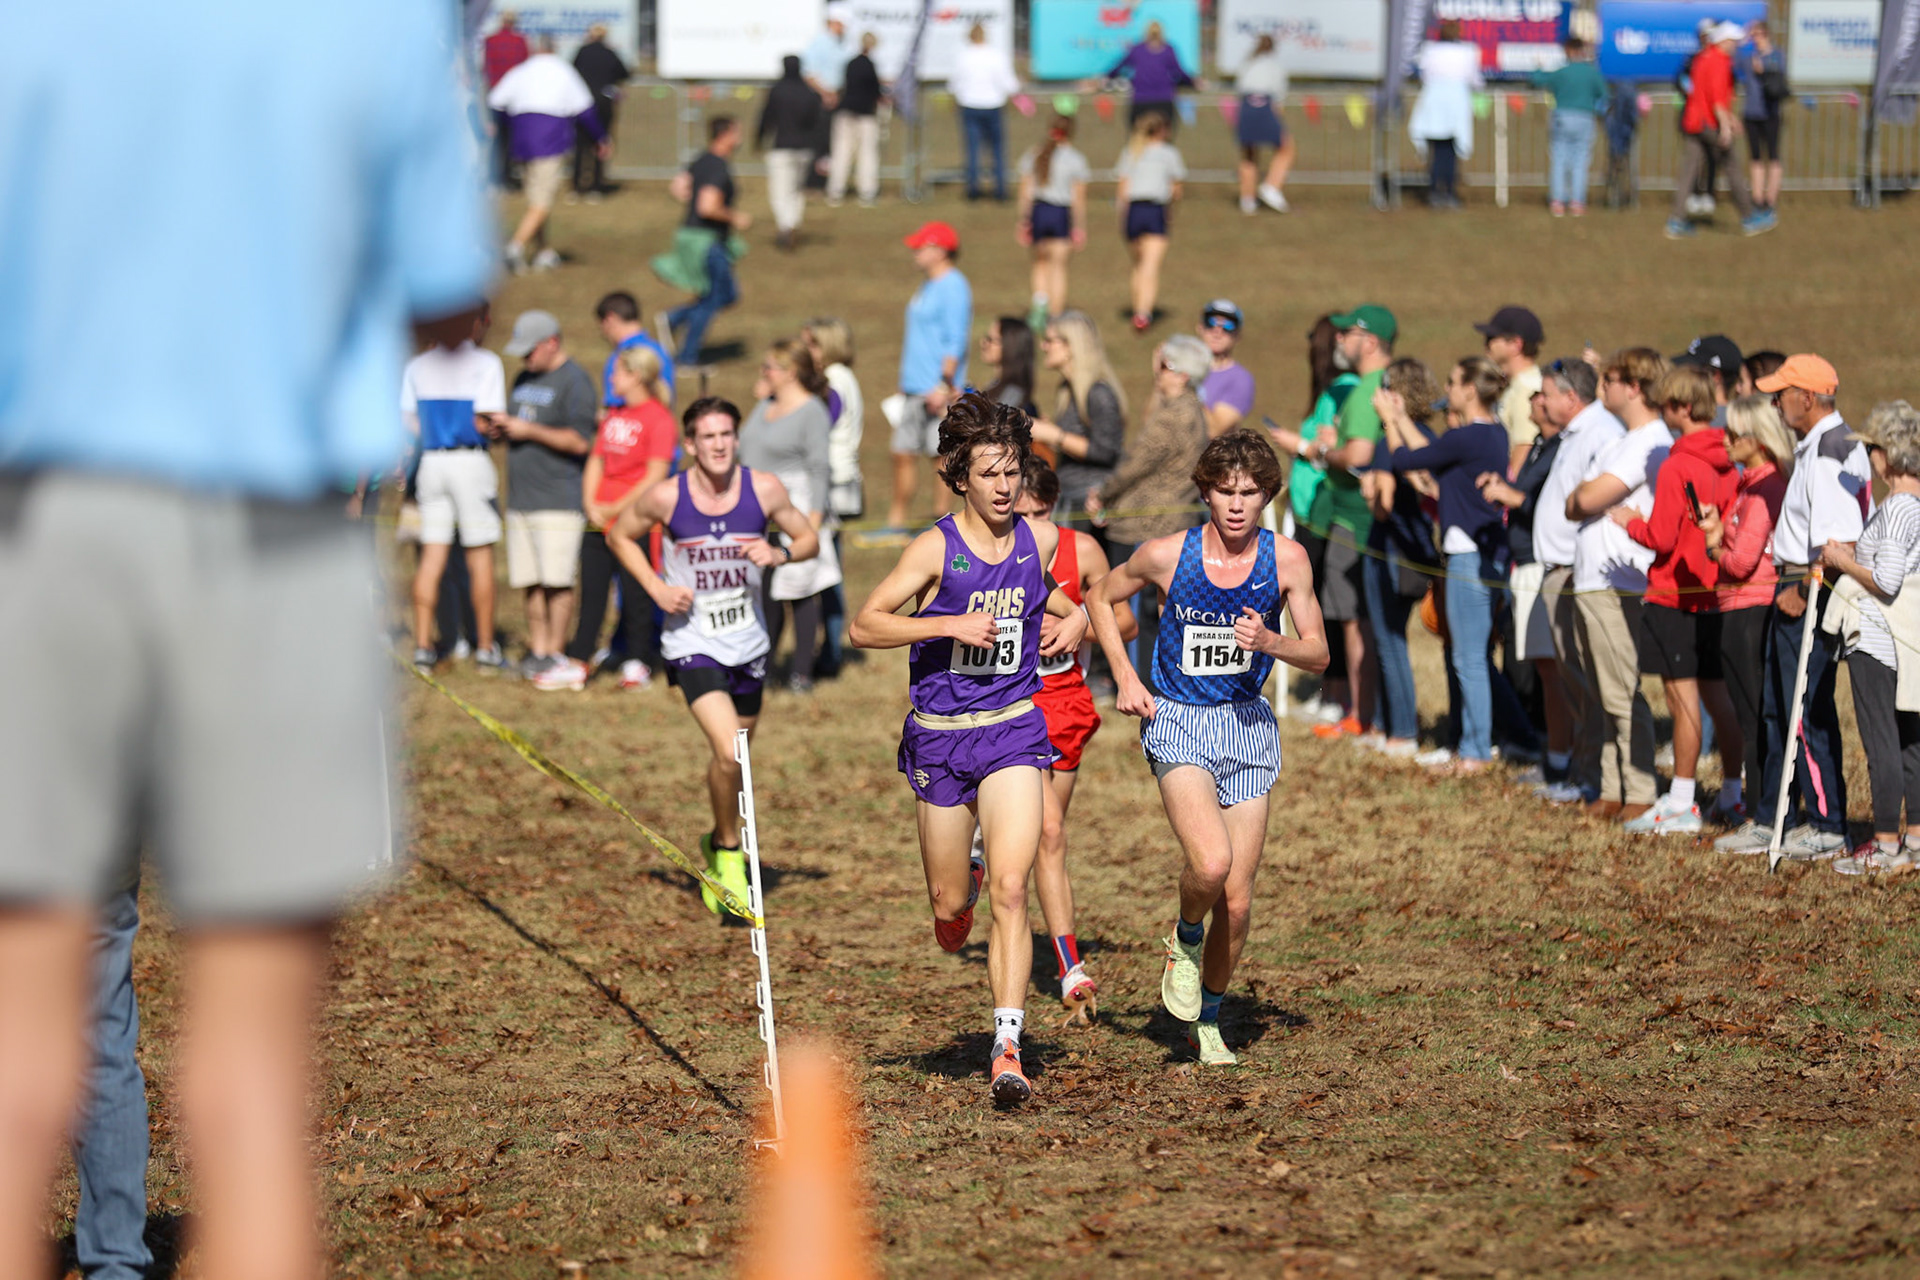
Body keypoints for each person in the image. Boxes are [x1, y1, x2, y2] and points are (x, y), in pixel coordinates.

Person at [0, 5, 493, 1276]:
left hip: (48, 525)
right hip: (269, 533)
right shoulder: (372, 24)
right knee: (254, 1073)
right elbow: (450, 295)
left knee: (27, 1030)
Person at [848, 393, 1090, 1107]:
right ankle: (956, 903)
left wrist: (1074, 622)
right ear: (960, 475)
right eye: (988, 473)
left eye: (1012, 471)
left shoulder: (1035, 539)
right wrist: (947, 624)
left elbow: (1043, 595)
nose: (1004, 486)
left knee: (1013, 887)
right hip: (941, 739)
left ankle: (1006, 1045)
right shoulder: (935, 548)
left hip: (1014, 726)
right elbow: (866, 625)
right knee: (952, 906)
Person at [1087, 430, 1328, 1066]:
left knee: (1241, 901)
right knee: (1212, 865)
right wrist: (1125, 677)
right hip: (1179, 719)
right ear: (1206, 492)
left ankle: (1209, 1022)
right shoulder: (1168, 554)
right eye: (1226, 492)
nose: (1238, 505)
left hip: (1247, 726)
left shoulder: (1290, 561)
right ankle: (1185, 935)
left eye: (1250, 492)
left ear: (1267, 494)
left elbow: (1321, 654)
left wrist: (1272, 643)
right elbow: (1099, 597)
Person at [606, 398, 819, 915]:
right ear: (690, 445)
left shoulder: (763, 488)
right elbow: (618, 533)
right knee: (730, 752)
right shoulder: (666, 497)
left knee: (735, 759)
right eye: (708, 437)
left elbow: (808, 536)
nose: (720, 445)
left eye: (727, 434)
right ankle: (728, 853)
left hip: (749, 642)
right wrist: (656, 587)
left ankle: (718, 836)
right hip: (691, 642)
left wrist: (780, 553)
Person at [1722, 354, 1869, 860]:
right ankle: (1781, 815)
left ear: (1807, 397)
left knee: (1805, 710)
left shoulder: (1830, 450)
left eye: (1782, 393)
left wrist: (1805, 591)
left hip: (1809, 587)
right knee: (1782, 707)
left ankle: (1828, 826)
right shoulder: (1820, 445)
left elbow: (1839, 538)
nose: (1775, 401)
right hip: (1797, 582)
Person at [1013, 458, 1135, 1015]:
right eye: (1021, 513)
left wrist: (1080, 620)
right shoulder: (988, 546)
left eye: (1040, 514)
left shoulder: (1081, 551)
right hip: (1008, 702)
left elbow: (1126, 619)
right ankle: (1070, 966)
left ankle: (989, 840)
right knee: (1051, 831)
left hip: (1064, 702)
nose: (1030, 523)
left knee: (1047, 838)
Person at [1610, 365, 1742, 834]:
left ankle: (1683, 798)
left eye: (1667, 405)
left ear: (1683, 408)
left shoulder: (1678, 464)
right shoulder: (1729, 459)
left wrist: (1628, 521)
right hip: (1717, 591)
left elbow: (1662, 537)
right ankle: (1732, 790)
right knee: (1717, 694)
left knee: (1680, 696)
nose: (1663, 414)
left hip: (1674, 594)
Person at [1379, 358, 1517, 774]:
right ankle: (1493, 741)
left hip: (1468, 556)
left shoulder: (1471, 436)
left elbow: (1405, 460)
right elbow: (1427, 457)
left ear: (1470, 390)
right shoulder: (1490, 434)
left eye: (1455, 381)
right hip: (1478, 553)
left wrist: (1389, 421)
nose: (1449, 388)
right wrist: (1403, 416)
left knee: (1469, 658)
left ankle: (1475, 751)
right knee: (1472, 656)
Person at [1566, 348, 1671, 820]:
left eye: (1608, 379)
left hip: (1617, 581)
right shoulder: (1622, 439)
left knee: (1620, 689)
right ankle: (1612, 787)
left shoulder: (1650, 439)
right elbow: (1578, 500)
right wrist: (1580, 499)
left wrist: (1582, 498)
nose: (1601, 386)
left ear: (1634, 386)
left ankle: (1641, 790)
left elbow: (1587, 497)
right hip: (1591, 579)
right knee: (1599, 689)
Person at [1819, 401, 1920, 874]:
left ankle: (1885, 846)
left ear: (1891, 455)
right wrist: (1856, 549)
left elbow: (1887, 579)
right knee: (1907, 742)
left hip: (1878, 640)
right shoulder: (1906, 508)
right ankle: (1913, 839)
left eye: (1875, 449)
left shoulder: (1899, 507)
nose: (1872, 459)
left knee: (1881, 742)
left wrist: (1842, 564)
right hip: (1900, 642)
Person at [1085, 336, 1213, 689]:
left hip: (1144, 526)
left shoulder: (1173, 417)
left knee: (1138, 613)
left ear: (1183, 375)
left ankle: (1140, 683)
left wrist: (1103, 494)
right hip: (1174, 523)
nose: (1157, 373)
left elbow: (1135, 464)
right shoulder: (1194, 411)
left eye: (1164, 367)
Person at [1531, 356, 1625, 805]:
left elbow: (1595, 500)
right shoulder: (1576, 433)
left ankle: (1594, 778)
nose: (1541, 401)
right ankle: (1586, 774)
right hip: (1560, 571)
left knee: (1586, 680)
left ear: (1571, 397)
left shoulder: (1601, 434)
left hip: (1575, 570)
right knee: (1573, 679)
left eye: (1547, 393)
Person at [1698, 395, 1792, 845]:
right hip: (1737, 606)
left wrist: (1716, 547)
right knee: (1752, 713)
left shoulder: (1765, 487)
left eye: (1734, 433)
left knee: (1755, 717)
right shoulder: (1750, 483)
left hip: (1749, 608)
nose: (1726, 440)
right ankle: (1763, 810)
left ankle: (1763, 813)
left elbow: (1741, 563)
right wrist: (1719, 533)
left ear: (1757, 439)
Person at [1300, 305, 1395, 740]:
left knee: (1357, 620)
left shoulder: (1366, 389)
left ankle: (1362, 714)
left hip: (1354, 520)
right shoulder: (1375, 386)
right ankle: (1366, 713)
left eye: (1349, 333)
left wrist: (1324, 452)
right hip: (1359, 518)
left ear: (1370, 341)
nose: (1340, 341)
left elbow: (1357, 455)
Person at [493, 310, 598, 689]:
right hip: (521, 497)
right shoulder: (522, 378)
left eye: (530, 350)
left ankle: (555, 653)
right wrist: (499, 430)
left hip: (559, 498)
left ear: (551, 342)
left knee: (557, 582)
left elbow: (580, 441)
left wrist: (528, 430)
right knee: (531, 582)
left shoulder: (576, 382)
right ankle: (537, 650)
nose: (525, 359)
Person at [565, 344, 676, 689]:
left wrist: (617, 508)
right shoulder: (614, 414)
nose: (611, 378)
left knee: (636, 592)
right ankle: (579, 658)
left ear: (637, 375)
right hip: (598, 518)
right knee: (593, 590)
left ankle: (638, 660)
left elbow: (655, 474)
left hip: (637, 519)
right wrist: (591, 502)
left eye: (618, 372)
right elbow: (596, 460)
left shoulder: (659, 418)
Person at [1477, 376, 1570, 778]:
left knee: (1553, 669)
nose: (1535, 400)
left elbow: (1552, 503)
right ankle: (1556, 755)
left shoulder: (1562, 449)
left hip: (1540, 561)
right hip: (1525, 563)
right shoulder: (1541, 447)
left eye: (1542, 395)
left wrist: (1510, 496)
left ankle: (1562, 758)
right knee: (1545, 669)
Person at [1267, 316, 1359, 721]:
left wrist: (1298, 444)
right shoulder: (1327, 391)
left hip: (1328, 514)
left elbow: (1329, 448)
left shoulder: (1345, 390)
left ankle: (1337, 694)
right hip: (1309, 511)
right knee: (1319, 604)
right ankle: (1329, 692)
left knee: (1330, 610)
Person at [406, 306, 506, 672]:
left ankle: (422, 647)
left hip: (432, 461)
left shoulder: (417, 365)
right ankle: (484, 648)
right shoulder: (486, 362)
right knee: (479, 556)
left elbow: (410, 424)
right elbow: (487, 420)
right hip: (468, 460)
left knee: (432, 559)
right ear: (476, 321)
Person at [741, 340, 837, 694]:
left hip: (796, 506)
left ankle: (800, 671)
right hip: (759, 506)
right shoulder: (765, 405)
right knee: (765, 590)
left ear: (790, 371)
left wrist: (812, 520)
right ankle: (763, 665)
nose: (764, 373)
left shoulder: (811, 411)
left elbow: (819, 468)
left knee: (799, 590)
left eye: (770, 367)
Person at [1364, 358, 1445, 756]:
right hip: (1420, 556)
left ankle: (1401, 731)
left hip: (1388, 553)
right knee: (1391, 639)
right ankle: (1383, 725)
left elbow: (1383, 506)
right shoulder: (1427, 434)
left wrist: (1370, 492)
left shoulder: (1387, 442)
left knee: (1388, 641)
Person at [488, 36, 609, 273]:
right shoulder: (563, 71)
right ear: (555, 50)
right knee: (542, 201)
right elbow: (584, 109)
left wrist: (509, 125)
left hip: (522, 139)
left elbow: (496, 101)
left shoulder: (520, 70)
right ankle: (514, 247)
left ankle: (544, 251)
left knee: (536, 199)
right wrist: (600, 137)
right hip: (549, 138)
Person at [887, 221, 972, 529]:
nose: (915, 253)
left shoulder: (953, 286)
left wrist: (943, 385)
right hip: (914, 388)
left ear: (939, 250)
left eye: (921, 247)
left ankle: (941, 522)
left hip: (936, 390)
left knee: (940, 459)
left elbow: (955, 341)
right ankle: (896, 522)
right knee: (901, 452)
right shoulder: (929, 284)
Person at [1666, 22, 1775, 239]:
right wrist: (1726, 127)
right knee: (1732, 166)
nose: (1735, 45)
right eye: (1733, 41)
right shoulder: (1719, 62)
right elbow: (1716, 101)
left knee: (1688, 171)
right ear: (1723, 41)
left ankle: (1676, 221)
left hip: (1693, 122)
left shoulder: (1702, 58)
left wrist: (1730, 119)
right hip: (1709, 124)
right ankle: (1749, 217)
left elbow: (1702, 94)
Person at [1029, 310, 1127, 536]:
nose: (1043, 346)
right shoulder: (1068, 390)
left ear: (1071, 346)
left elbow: (1106, 452)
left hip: (1091, 504)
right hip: (1070, 495)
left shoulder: (1098, 393)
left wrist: (1055, 435)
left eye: (1049, 340)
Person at [664, 117, 751, 367]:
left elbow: (678, 187)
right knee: (715, 297)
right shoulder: (718, 167)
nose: (740, 137)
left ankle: (675, 321)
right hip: (705, 239)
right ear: (726, 134)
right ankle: (686, 353)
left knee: (724, 294)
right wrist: (736, 218)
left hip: (692, 235)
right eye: (738, 131)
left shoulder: (701, 159)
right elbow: (707, 206)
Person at [804, 317, 864, 678]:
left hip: (834, 483)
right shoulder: (845, 378)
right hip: (844, 478)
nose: (806, 351)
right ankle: (829, 647)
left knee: (828, 571)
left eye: (812, 344)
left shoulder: (835, 380)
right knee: (830, 567)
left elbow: (816, 428)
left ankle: (831, 651)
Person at [1016, 113, 1090, 328]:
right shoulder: (1075, 159)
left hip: (1039, 212)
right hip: (1060, 214)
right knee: (1058, 267)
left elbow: (1026, 191)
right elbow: (1079, 198)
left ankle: (1039, 308)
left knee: (1039, 264)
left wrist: (1024, 220)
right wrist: (1079, 227)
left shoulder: (1035, 154)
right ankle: (1056, 316)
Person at [1115, 113, 1185, 333]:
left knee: (1139, 264)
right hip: (1155, 210)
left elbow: (1122, 188)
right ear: (1161, 130)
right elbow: (1176, 187)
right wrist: (1171, 209)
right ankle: (1143, 314)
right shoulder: (1169, 153)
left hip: (1134, 211)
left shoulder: (1131, 152)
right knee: (1150, 266)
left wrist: (1122, 216)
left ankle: (1138, 309)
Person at [1531, 37, 1608, 216]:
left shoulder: (1562, 72)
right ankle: (1577, 202)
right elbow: (1604, 93)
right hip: (1585, 118)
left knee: (1559, 159)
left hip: (1561, 117)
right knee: (1580, 161)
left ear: (1567, 51)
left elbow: (1538, 80)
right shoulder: (1591, 73)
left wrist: (1537, 65)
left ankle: (1557, 201)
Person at [1409, 22, 1481, 209]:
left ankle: (1435, 192)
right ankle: (1448, 192)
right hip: (1454, 106)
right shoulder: (1467, 52)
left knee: (1437, 153)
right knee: (1449, 153)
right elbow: (1475, 80)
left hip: (1433, 104)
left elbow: (1424, 76)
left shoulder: (1430, 51)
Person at [758, 56, 825, 252]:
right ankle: (793, 223)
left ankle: (785, 226)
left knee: (780, 191)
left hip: (782, 147)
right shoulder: (809, 92)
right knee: (796, 191)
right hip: (805, 149)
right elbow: (817, 123)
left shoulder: (777, 91)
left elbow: (766, 116)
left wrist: (759, 139)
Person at [1473, 305, 1545, 476]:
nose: (1486, 344)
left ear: (1516, 344)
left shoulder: (1526, 389)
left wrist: (1505, 495)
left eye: (1492, 337)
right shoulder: (1516, 386)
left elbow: (1524, 447)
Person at [952, 23, 1020, 201]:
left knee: (973, 149)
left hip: (970, 105)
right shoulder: (996, 56)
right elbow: (1009, 83)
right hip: (993, 106)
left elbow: (954, 84)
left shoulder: (963, 57)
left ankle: (973, 190)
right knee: (997, 150)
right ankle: (1000, 190)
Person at [1233, 34, 1294, 214]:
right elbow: (1279, 96)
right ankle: (1271, 187)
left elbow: (1239, 89)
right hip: (1265, 105)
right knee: (1286, 148)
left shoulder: (1246, 64)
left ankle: (1247, 200)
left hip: (1245, 107)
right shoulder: (1275, 66)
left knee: (1249, 153)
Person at [1103, 21, 1195, 132]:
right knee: (1163, 139)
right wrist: (1192, 82)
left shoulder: (1137, 49)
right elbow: (1179, 73)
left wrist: (1106, 76)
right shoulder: (1168, 50)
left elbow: (1118, 67)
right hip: (1164, 101)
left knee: (1137, 139)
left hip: (1140, 101)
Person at [827, 32, 884, 208]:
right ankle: (867, 191)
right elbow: (875, 91)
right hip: (865, 114)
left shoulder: (850, 63)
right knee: (867, 153)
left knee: (841, 152)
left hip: (845, 112)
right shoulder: (870, 66)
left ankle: (835, 191)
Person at [571, 24, 629, 197]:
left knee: (580, 146)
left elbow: (572, 71)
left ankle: (577, 186)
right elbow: (624, 73)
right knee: (601, 144)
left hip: (582, 103)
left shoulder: (582, 52)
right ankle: (596, 185)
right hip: (604, 103)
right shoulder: (609, 53)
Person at [595, 290, 676, 408]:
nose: (604, 334)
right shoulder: (661, 351)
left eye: (602, 326)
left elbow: (614, 405)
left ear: (610, 319)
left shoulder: (621, 358)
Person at [1740, 22, 1788, 213]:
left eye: (1758, 34)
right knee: (1755, 157)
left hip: (1770, 112)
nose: (1756, 38)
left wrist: (1764, 69)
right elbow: (1734, 58)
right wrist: (1744, 40)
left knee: (1773, 156)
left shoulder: (1777, 55)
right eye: (1753, 35)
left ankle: (1771, 198)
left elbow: (1780, 74)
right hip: (1751, 113)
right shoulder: (1748, 57)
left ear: (1766, 34)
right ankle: (1757, 198)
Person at [484, 10, 531, 188]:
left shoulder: (490, 41)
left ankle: (496, 174)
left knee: (496, 138)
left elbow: (485, 67)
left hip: (495, 94)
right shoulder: (520, 41)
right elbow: (526, 68)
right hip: (514, 97)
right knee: (512, 138)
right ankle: (509, 175)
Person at [1198, 300, 1254, 438]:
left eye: (1228, 326)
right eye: (1210, 323)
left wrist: (1184, 384)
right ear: (1200, 328)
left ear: (1237, 336)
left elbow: (1213, 431)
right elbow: (1151, 420)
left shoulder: (1241, 379)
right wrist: (1160, 378)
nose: (1217, 331)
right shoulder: (1179, 368)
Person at [979, 317, 1037, 413]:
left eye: (990, 340)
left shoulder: (1013, 394)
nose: (983, 343)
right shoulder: (996, 385)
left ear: (1010, 345)